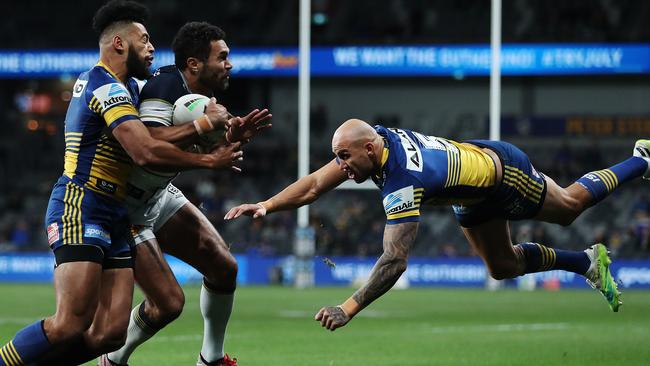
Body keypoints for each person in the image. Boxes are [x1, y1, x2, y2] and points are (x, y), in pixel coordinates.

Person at [226, 118, 650, 331]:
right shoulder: (372, 146)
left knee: (571, 205)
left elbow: (394, 261)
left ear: (370, 148)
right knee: (501, 267)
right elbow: (317, 183)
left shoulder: (403, 182)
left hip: (500, 173)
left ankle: (641, 159)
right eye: (339, 157)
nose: (341, 166)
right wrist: (267, 204)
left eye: (345, 158)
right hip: (466, 191)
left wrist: (348, 307)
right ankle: (587, 262)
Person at [0, 2, 243, 365]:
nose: (151, 48)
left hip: (114, 212)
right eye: (144, 40)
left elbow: (158, 138)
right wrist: (206, 142)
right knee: (70, 323)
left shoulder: (130, 86)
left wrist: (223, 134)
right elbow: (144, 150)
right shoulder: (103, 86)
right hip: (81, 202)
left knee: (110, 333)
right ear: (118, 43)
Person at [101, 22, 271, 366]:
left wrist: (232, 137)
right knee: (167, 304)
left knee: (223, 266)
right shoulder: (164, 87)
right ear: (194, 64)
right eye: (222, 57)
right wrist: (209, 157)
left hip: (156, 193)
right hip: (125, 207)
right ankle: (114, 358)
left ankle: (211, 358)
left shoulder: (201, 99)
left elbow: (200, 140)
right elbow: (148, 145)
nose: (229, 64)